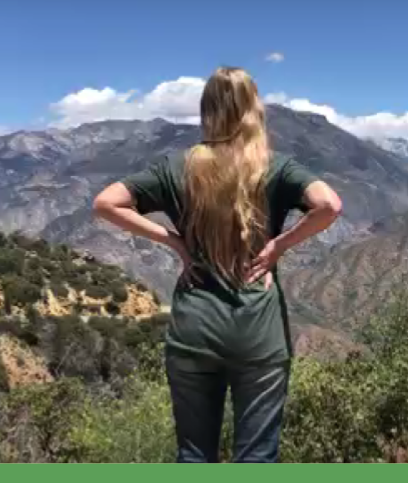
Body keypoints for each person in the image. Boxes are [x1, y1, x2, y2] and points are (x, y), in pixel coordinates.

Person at [92, 66, 342, 463]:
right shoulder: (276, 167)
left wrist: (172, 240)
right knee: (256, 458)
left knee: (194, 455)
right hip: (257, 330)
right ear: (253, 109)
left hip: (194, 327)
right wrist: (279, 245)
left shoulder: (176, 167)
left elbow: (105, 203)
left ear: (206, 110)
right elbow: (329, 205)